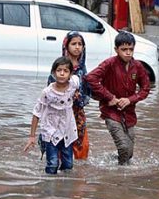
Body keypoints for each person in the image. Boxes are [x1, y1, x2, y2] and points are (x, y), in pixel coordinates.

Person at [85, 32, 151, 165]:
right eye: (124, 50)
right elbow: (90, 78)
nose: (128, 53)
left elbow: (145, 88)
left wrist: (130, 99)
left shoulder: (137, 66)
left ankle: (115, 165)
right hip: (111, 112)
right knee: (123, 147)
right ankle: (120, 176)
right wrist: (110, 97)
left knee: (129, 153)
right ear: (116, 50)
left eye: (131, 49)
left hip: (129, 114)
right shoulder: (109, 63)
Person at [24, 56, 80, 175]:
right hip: (50, 131)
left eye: (65, 71)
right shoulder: (47, 92)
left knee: (68, 164)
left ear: (70, 74)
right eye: (59, 70)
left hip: (67, 130)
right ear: (53, 73)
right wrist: (32, 136)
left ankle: (63, 189)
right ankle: (48, 188)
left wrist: (78, 93)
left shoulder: (73, 84)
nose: (62, 73)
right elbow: (36, 113)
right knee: (52, 163)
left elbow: (78, 79)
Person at [47, 32, 91, 160]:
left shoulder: (82, 69)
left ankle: (76, 175)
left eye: (80, 44)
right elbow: (49, 90)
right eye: (73, 44)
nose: (77, 47)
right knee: (59, 142)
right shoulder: (59, 67)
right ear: (66, 46)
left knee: (81, 146)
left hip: (77, 113)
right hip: (59, 113)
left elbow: (87, 91)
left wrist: (79, 99)